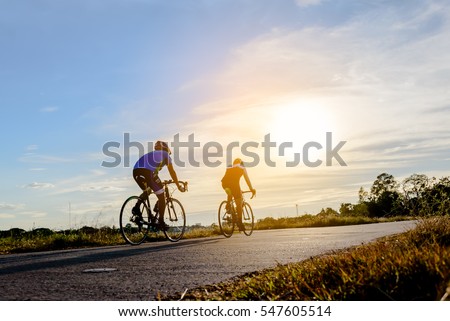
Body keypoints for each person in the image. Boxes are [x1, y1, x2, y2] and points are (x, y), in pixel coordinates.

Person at [132, 140, 185, 230]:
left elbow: (154, 176)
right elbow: (172, 172)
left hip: (136, 171)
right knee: (161, 196)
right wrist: (178, 185)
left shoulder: (152, 155)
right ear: (166, 149)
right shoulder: (165, 154)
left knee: (148, 190)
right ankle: (161, 221)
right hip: (147, 172)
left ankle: (136, 208)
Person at [221, 158, 256, 231]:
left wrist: (239, 190)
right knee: (239, 204)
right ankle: (240, 223)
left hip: (224, 184)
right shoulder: (242, 167)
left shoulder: (230, 166)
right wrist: (251, 189)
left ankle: (228, 205)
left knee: (230, 192)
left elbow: (229, 178)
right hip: (234, 185)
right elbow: (247, 179)